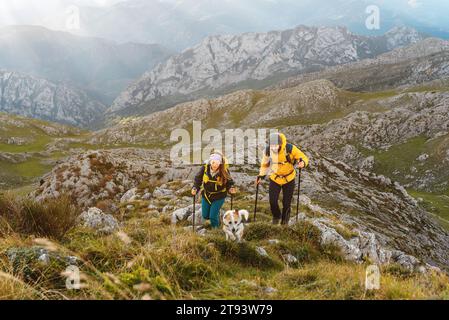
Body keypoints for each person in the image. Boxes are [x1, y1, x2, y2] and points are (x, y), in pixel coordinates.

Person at [256, 133, 309, 225]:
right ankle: (276, 216)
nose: (273, 148)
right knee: (272, 201)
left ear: (280, 144)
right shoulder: (268, 151)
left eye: (275, 145)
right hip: (275, 178)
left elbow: (303, 157)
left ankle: (285, 222)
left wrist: (303, 163)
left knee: (286, 203)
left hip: (289, 179)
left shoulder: (289, 148)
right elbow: (265, 165)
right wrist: (261, 176)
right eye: (271, 145)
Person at [192, 151, 236, 228]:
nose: (215, 165)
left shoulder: (224, 171)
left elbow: (229, 182)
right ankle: (217, 217)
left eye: (217, 163)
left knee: (212, 216)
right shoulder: (205, 168)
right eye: (213, 162)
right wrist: (195, 188)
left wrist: (231, 188)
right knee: (205, 215)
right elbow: (198, 179)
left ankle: (216, 229)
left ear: (220, 163)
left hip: (219, 196)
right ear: (210, 162)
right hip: (206, 195)